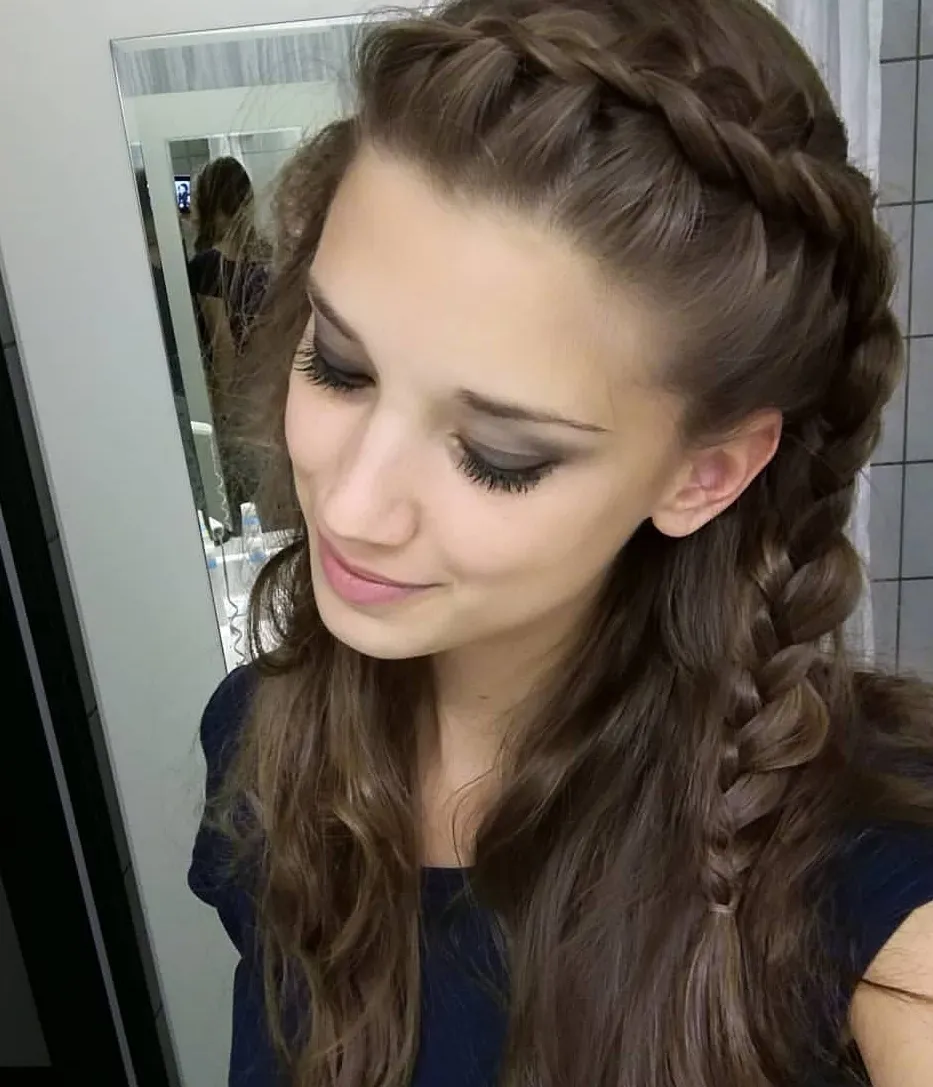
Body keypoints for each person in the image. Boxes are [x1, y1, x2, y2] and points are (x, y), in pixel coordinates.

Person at [188, 1, 933, 1085]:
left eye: (498, 454)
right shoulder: (261, 740)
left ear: (703, 473)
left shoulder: (863, 864)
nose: (350, 506)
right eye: (340, 365)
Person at [187, 156, 270, 529]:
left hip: (235, 407)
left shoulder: (209, 264)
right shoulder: (264, 258)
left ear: (211, 202)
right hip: (267, 405)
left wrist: (221, 416)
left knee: (236, 520)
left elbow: (222, 346)